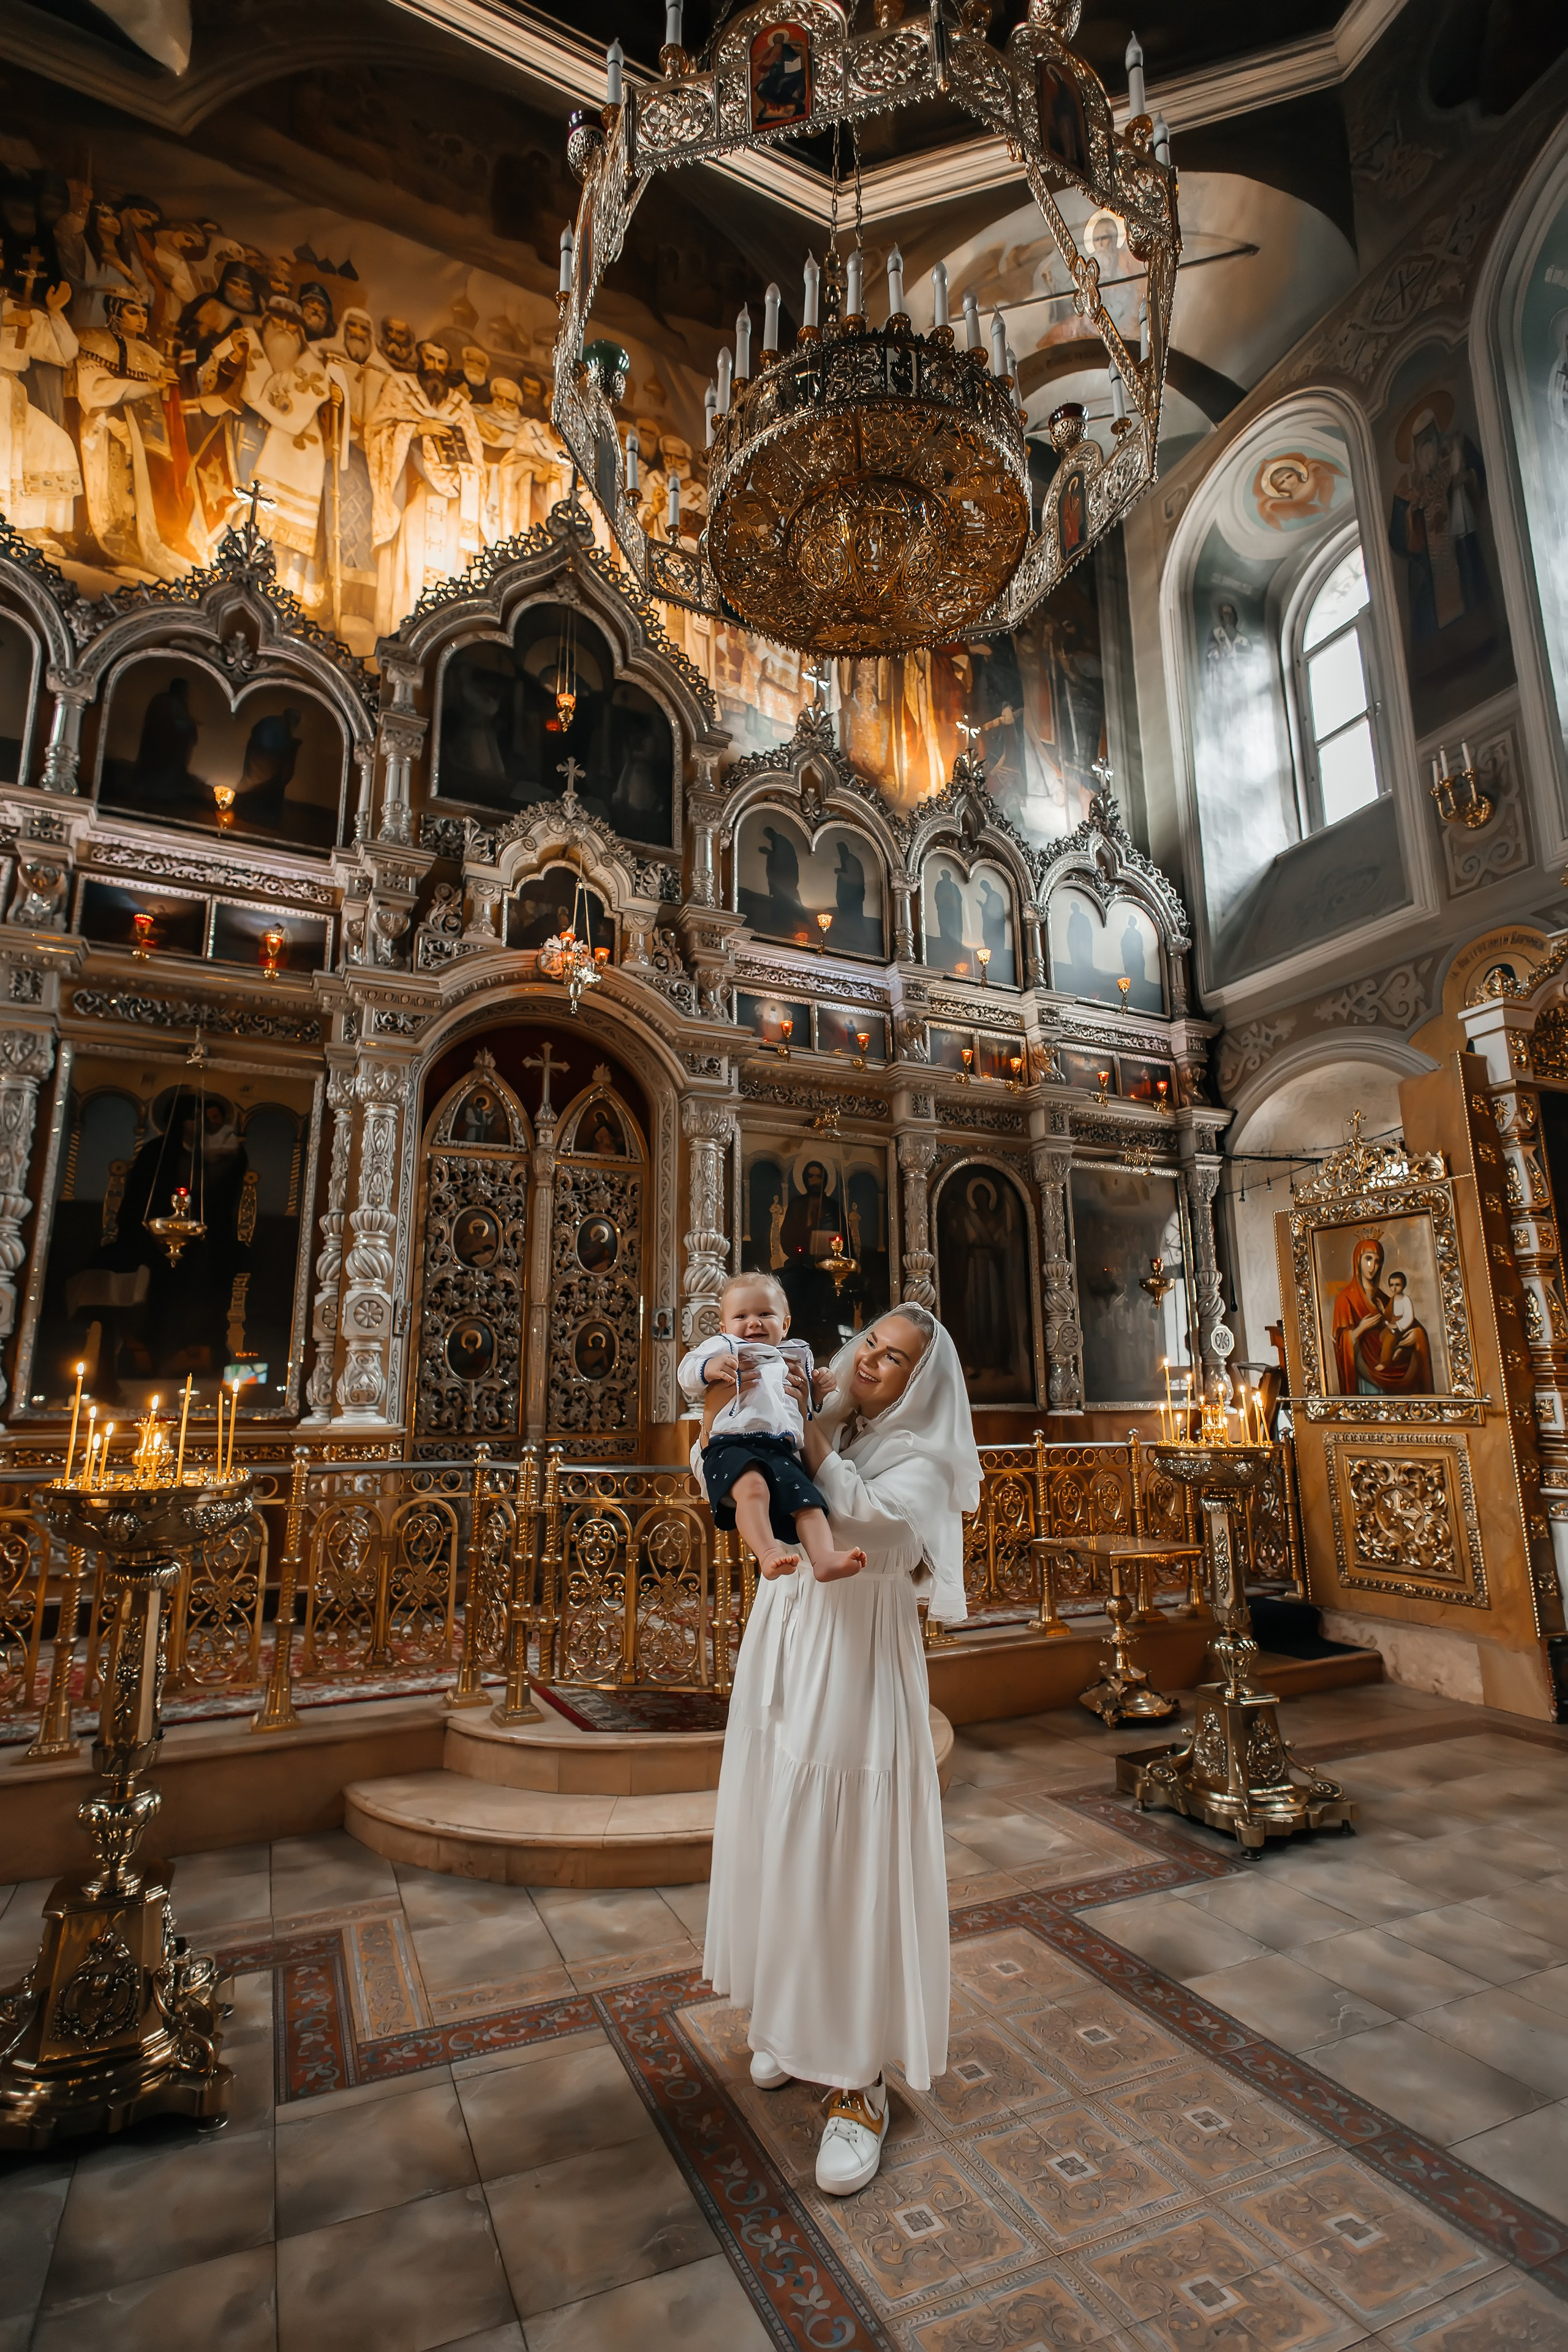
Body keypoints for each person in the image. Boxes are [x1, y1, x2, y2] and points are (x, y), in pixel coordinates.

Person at [705, 1304, 980, 2195]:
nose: (870, 1361)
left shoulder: (924, 1460)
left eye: (893, 1360)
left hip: (856, 1665)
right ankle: (792, 2023)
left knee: (848, 1858)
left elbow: (869, 1518)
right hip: (787, 1639)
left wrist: (801, 1433)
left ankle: (859, 2085)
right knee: (783, 1836)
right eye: (870, 1343)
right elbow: (732, 1460)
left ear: (918, 1385)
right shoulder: (823, 1413)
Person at [678, 1271, 864, 1583]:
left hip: (780, 1446)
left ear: (785, 1324)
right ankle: (767, 1553)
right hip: (731, 1444)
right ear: (724, 1328)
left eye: (765, 1314)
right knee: (753, 1489)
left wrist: (818, 1392)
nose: (754, 1323)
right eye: (741, 1316)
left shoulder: (793, 1357)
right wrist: (709, 1367)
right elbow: (687, 1372)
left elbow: (801, 1407)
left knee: (808, 1501)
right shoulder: (725, 1347)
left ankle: (824, 1558)